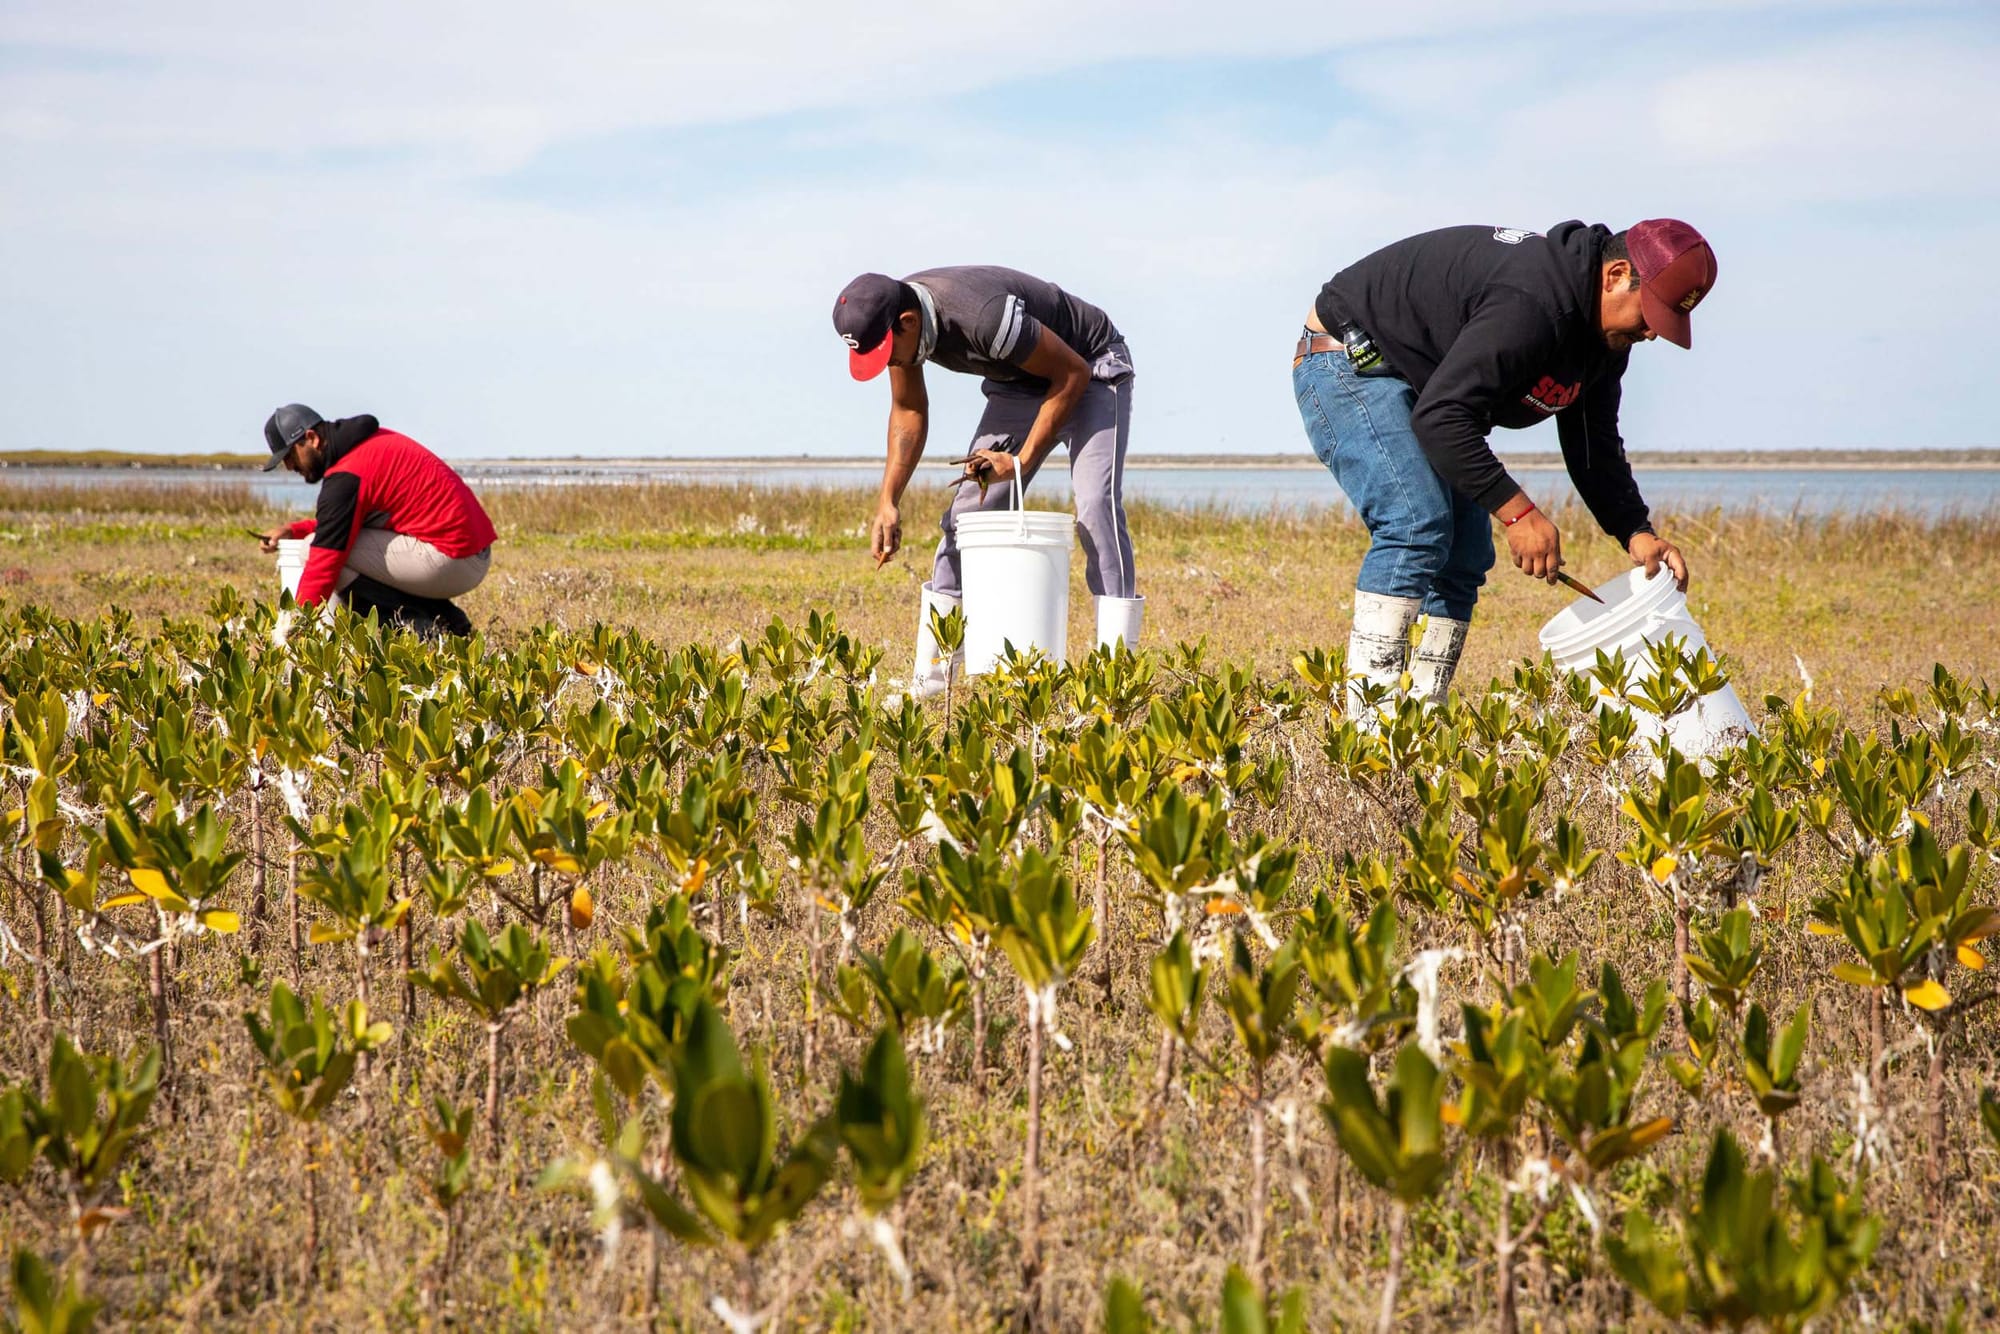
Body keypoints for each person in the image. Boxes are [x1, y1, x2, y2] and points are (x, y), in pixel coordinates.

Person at [1293, 219, 1712, 711]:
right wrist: (1519, 514)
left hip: (1427, 387)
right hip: (1350, 359)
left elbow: (1593, 444)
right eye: (1650, 313)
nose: (1651, 333)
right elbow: (1443, 419)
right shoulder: (1533, 303)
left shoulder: (1606, 340)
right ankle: (1372, 723)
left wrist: (1636, 532)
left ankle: (1423, 717)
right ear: (1616, 274)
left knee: (1466, 553)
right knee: (1416, 523)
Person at [832, 267, 1141, 695]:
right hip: (1019, 382)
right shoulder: (895, 315)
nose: (886, 363)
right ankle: (933, 679)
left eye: (885, 353)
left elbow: (1071, 375)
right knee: (966, 516)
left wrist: (1020, 461)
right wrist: (888, 499)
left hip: (1090, 367)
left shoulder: (984, 317)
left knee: (1095, 507)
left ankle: (1117, 676)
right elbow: (908, 410)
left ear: (908, 323)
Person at [255, 404, 494, 636]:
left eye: (289, 455)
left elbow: (324, 560)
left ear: (311, 438)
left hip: (453, 561)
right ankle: (445, 618)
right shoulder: (369, 446)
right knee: (328, 546)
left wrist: (293, 628)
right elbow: (344, 521)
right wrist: (293, 530)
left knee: (312, 550)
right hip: (470, 556)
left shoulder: (347, 476)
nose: (288, 466)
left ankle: (422, 624)